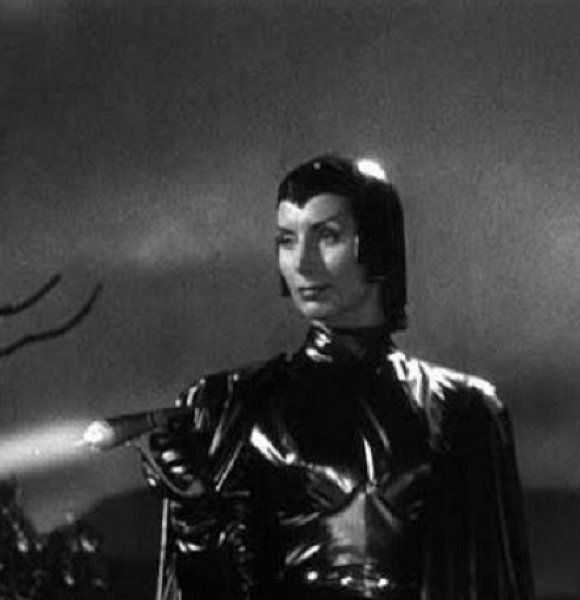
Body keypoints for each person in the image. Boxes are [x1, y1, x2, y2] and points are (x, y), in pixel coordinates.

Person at [140, 153, 534, 600]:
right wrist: (196, 520)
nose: (302, 263)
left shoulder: (464, 408)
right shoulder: (230, 407)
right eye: (287, 239)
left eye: (328, 235)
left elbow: (488, 580)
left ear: (377, 245)